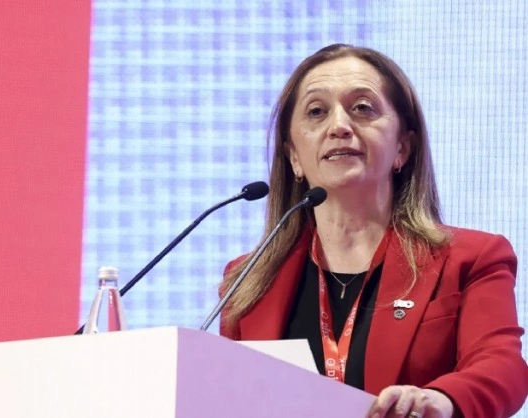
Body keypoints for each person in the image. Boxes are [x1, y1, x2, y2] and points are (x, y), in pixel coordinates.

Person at [219, 44, 528, 418]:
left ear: (402, 147)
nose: (339, 126)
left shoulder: (470, 259)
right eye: (316, 111)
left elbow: (502, 367)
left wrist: (441, 400)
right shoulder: (247, 281)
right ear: (294, 156)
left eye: (362, 108)